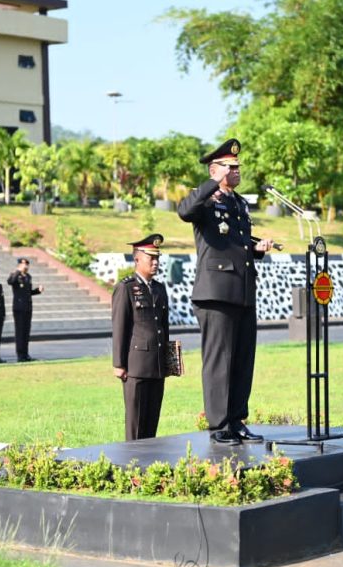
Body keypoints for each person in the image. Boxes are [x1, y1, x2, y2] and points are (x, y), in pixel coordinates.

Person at [177, 138, 273, 445]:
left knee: (243, 358)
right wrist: (211, 183)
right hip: (215, 292)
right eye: (230, 167)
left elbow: (236, 240)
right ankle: (218, 424)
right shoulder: (206, 200)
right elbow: (184, 210)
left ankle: (236, 420)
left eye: (237, 167)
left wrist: (257, 248)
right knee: (219, 360)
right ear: (214, 169)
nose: (236, 171)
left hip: (242, 289)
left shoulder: (239, 203)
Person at [111, 234, 172, 441]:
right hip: (135, 365)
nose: (155, 263)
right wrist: (119, 364)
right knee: (136, 422)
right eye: (151, 258)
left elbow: (163, 327)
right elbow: (120, 327)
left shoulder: (159, 289)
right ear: (137, 259)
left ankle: (148, 462)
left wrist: (168, 358)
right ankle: (132, 465)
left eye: (157, 259)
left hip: (156, 365)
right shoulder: (126, 288)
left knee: (152, 420)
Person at [7, 257, 43, 362]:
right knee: (20, 331)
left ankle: (26, 354)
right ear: (19, 265)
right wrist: (18, 271)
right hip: (19, 307)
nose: (25, 266)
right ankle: (20, 355)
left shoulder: (28, 277)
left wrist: (37, 291)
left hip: (27, 307)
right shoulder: (15, 275)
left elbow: (27, 292)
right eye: (23, 265)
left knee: (26, 332)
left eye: (27, 264)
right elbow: (10, 282)